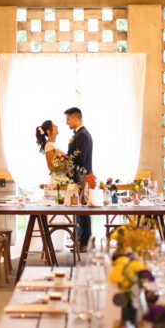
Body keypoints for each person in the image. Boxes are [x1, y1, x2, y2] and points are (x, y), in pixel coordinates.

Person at [65, 107, 93, 251]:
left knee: (83, 211)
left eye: (68, 119)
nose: (66, 122)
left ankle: (85, 243)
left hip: (81, 176)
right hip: (79, 176)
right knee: (79, 210)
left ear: (76, 119)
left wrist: (67, 163)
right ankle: (80, 239)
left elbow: (81, 158)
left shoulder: (82, 135)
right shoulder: (80, 134)